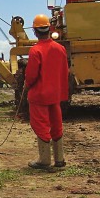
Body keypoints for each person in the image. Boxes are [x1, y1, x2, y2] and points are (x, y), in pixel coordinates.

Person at [24, 14, 69, 169]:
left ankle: (44, 160)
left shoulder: (35, 51)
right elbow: (64, 71)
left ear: (35, 31)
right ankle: (59, 160)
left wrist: (27, 84)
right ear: (50, 29)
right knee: (56, 124)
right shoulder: (60, 48)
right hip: (55, 94)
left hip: (40, 95)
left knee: (41, 125)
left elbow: (31, 75)